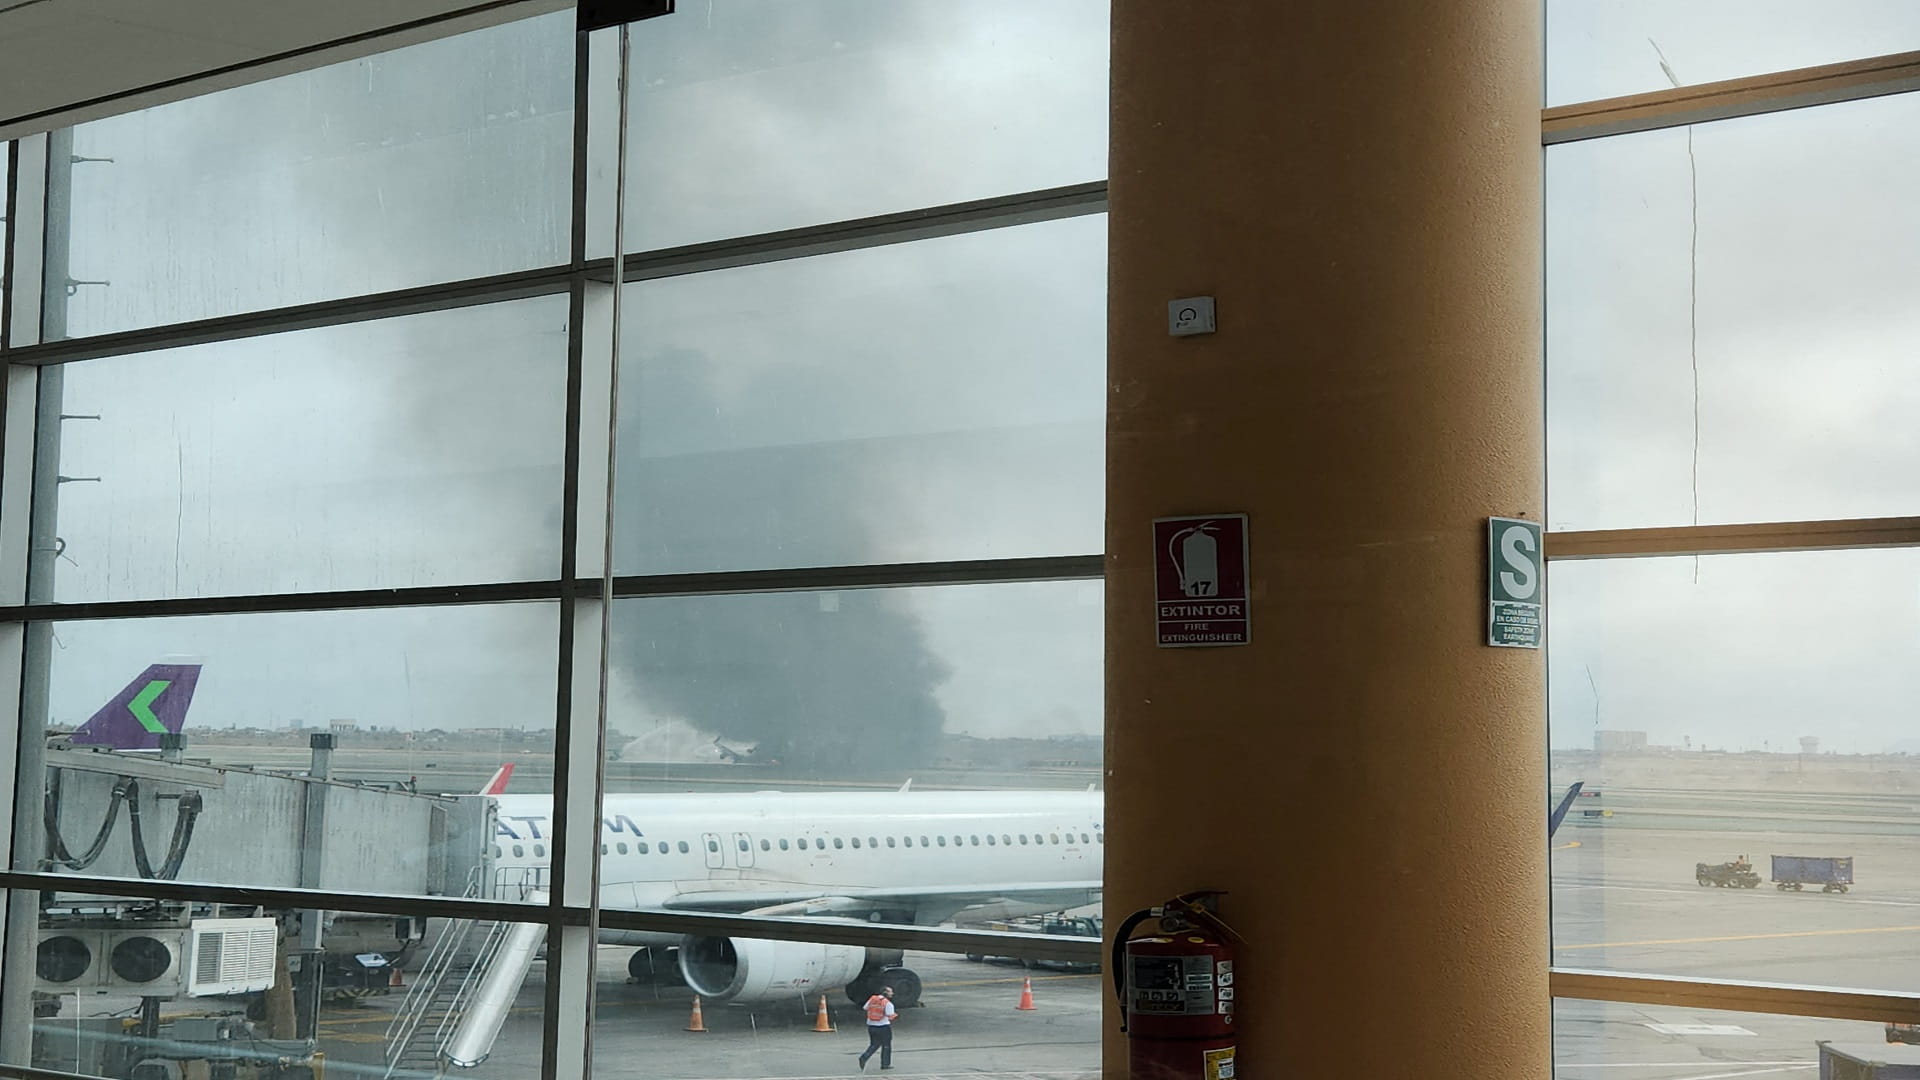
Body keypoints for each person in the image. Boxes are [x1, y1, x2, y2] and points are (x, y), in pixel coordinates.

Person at [857, 985, 896, 1070]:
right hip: (883, 1026)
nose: (892, 993)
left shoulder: (872, 999)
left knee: (874, 1044)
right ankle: (885, 1064)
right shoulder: (888, 1003)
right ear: (885, 993)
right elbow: (890, 1015)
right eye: (890, 992)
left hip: (871, 1026)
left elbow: (865, 1008)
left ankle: (864, 1057)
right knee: (886, 1045)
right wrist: (895, 1016)